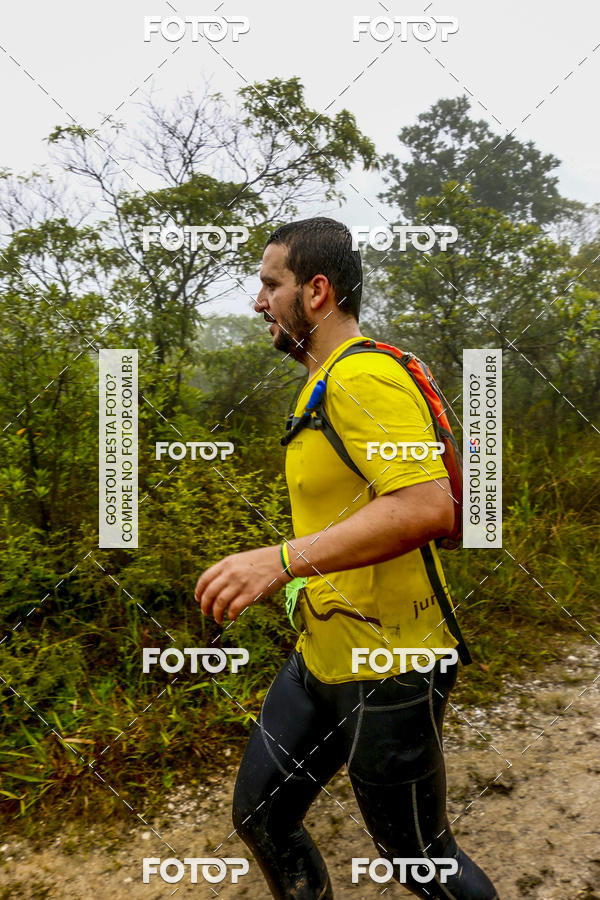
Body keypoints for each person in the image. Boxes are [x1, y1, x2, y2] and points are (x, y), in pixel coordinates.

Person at [195, 217, 499, 898]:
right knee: (262, 814)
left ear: (317, 291)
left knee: (420, 855)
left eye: (271, 284)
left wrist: (277, 562)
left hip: (392, 664)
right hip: (322, 656)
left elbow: (427, 506)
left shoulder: (363, 377)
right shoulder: (321, 383)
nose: (258, 301)